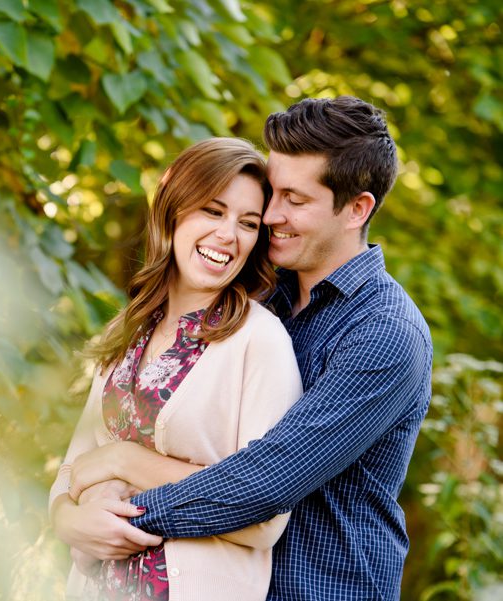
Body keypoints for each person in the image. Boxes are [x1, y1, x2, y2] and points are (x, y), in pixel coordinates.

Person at [64, 96, 433, 600]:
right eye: (273, 193)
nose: (271, 214)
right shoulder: (256, 295)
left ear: (357, 209)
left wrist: (119, 489)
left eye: (295, 200)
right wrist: (72, 514)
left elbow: (264, 483)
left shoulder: (385, 333)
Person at [49, 138, 303, 600]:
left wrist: (125, 462)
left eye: (248, 223)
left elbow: (265, 517)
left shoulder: (259, 341)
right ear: (172, 211)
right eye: (212, 210)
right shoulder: (128, 329)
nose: (229, 235)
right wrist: (69, 520)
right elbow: (71, 472)